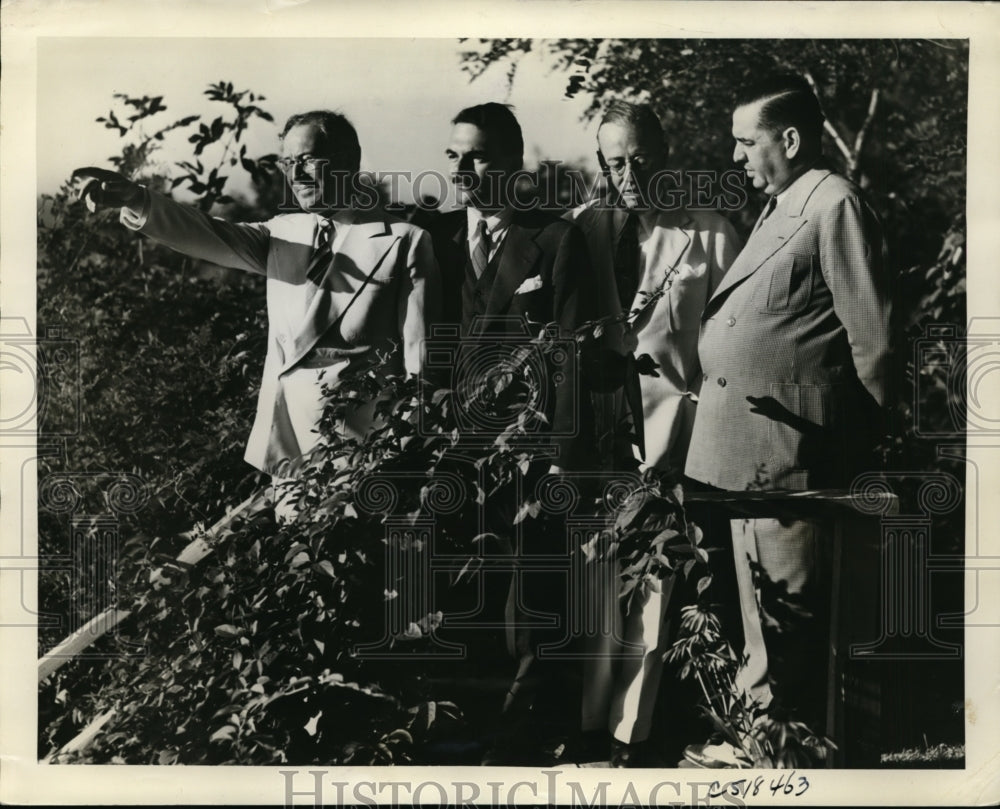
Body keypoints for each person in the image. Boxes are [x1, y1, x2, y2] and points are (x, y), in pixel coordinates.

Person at [74, 110, 441, 512]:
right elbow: (207, 233)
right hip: (291, 454)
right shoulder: (283, 233)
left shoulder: (405, 240)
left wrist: (403, 454)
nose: (297, 173)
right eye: (289, 162)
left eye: (309, 160)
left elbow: (418, 363)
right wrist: (137, 199)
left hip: (365, 457)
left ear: (349, 161)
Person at [684, 73, 891, 762]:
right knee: (763, 611)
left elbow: (873, 342)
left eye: (748, 142)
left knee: (789, 617)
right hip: (751, 449)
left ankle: (780, 753)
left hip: (798, 450)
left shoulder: (832, 204)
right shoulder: (783, 205)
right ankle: (763, 741)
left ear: (791, 139)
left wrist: (856, 459)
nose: (737, 156)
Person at [564, 100, 741, 765]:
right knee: (592, 589)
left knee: (655, 588)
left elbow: (734, 344)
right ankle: (585, 727)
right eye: (615, 162)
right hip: (599, 435)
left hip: (674, 436)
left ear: (664, 155)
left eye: (640, 158)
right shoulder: (583, 230)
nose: (629, 174)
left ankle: (628, 738)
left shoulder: (712, 233)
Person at [427, 103, 596, 764]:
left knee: (529, 591)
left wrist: (558, 453)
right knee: (457, 586)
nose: (462, 170)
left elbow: (569, 348)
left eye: (477, 157)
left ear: (514, 162)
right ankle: (456, 729)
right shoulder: (432, 236)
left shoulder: (555, 238)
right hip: (450, 444)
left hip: (526, 445)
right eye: (453, 156)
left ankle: (523, 737)